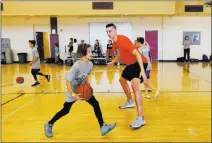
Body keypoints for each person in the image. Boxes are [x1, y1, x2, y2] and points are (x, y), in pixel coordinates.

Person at [44, 44, 116, 138]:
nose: (91, 53)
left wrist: (87, 85)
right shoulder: (76, 66)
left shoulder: (90, 64)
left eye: (91, 51)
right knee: (66, 110)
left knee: (96, 104)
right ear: (82, 54)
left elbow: (85, 76)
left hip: (82, 89)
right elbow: (67, 82)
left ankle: (102, 126)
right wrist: (73, 94)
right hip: (72, 90)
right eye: (89, 52)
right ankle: (49, 124)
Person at [106, 23, 148, 129]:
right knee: (122, 80)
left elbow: (138, 54)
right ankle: (130, 101)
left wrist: (143, 72)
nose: (108, 33)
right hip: (130, 64)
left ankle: (140, 118)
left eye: (110, 31)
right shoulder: (115, 43)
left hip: (140, 63)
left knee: (135, 86)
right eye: (107, 32)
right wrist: (113, 62)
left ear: (115, 31)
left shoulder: (123, 40)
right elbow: (119, 55)